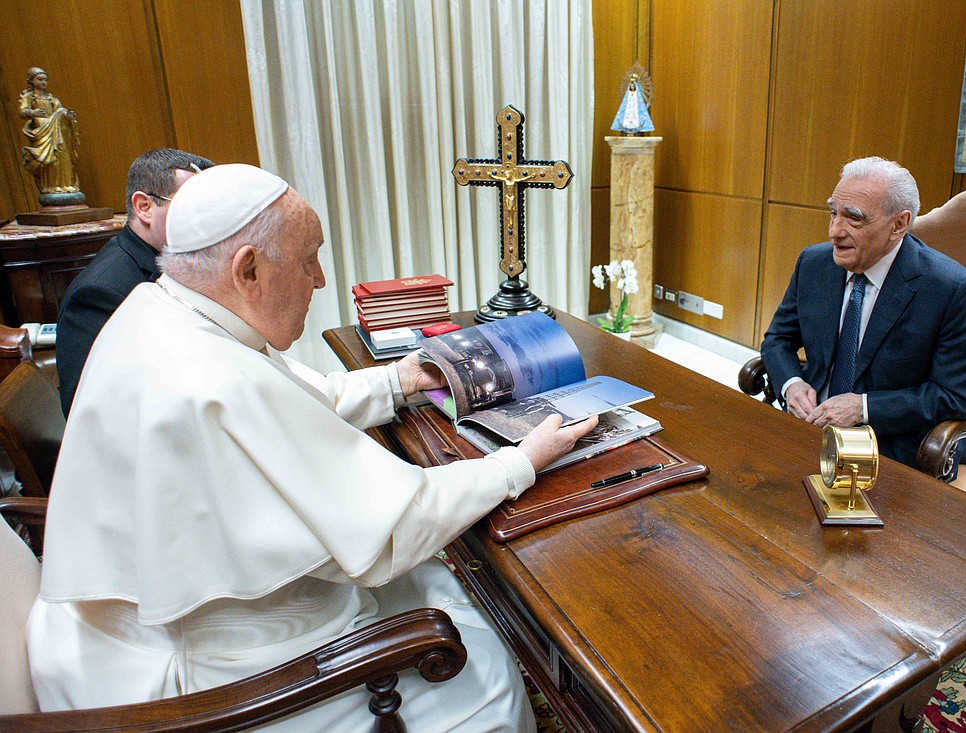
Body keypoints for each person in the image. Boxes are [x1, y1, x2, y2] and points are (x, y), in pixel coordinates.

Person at [29, 164, 596, 732]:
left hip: (147, 624)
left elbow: (294, 400)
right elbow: (394, 527)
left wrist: (399, 380)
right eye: (308, 259)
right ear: (247, 269)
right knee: (490, 678)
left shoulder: (164, 308)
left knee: (443, 584)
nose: (320, 280)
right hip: (215, 673)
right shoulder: (209, 377)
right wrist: (521, 461)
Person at [760, 156, 966, 473]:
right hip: (806, 427)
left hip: (889, 446)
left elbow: (956, 396)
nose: (834, 231)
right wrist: (792, 385)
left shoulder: (948, 288)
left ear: (899, 224)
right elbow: (777, 340)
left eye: (854, 219)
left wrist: (864, 408)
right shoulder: (814, 263)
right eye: (833, 212)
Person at [55, 148, 214, 416]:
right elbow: (90, 412)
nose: (210, 221)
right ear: (144, 207)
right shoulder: (98, 294)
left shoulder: (182, 258)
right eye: (193, 207)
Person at [18, 67, 81, 203]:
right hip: (42, 130)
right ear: (31, 80)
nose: (43, 82)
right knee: (49, 160)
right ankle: (51, 186)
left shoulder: (51, 98)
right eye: (39, 79)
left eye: (45, 80)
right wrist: (32, 113)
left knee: (61, 155)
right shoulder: (29, 97)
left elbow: (59, 110)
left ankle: (65, 185)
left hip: (56, 132)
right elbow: (22, 112)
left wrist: (66, 114)